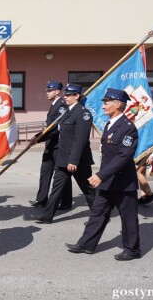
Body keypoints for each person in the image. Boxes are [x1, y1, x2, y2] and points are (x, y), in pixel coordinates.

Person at [65, 88, 141, 261]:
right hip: (107, 181)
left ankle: (132, 250)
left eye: (107, 102)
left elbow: (124, 156)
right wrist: (103, 176)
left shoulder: (128, 128)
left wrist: (101, 175)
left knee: (128, 218)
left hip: (122, 182)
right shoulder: (109, 124)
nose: (104, 105)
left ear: (118, 104)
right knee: (98, 213)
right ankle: (86, 244)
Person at [35, 83, 95, 224]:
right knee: (57, 188)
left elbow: (81, 140)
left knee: (88, 190)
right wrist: (38, 137)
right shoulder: (67, 111)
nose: (65, 97)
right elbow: (56, 130)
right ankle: (47, 215)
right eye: (65, 94)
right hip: (63, 158)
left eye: (68, 95)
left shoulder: (83, 113)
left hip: (77, 160)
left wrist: (74, 160)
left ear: (77, 96)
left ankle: (99, 215)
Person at [29, 81, 73, 209]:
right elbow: (49, 127)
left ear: (57, 91)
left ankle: (66, 202)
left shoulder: (62, 106)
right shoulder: (54, 105)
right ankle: (41, 199)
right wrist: (38, 136)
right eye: (47, 90)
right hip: (50, 144)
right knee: (45, 172)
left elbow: (55, 128)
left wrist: (38, 138)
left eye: (50, 90)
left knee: (62, 174)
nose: (47, 92)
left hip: (58, 145)